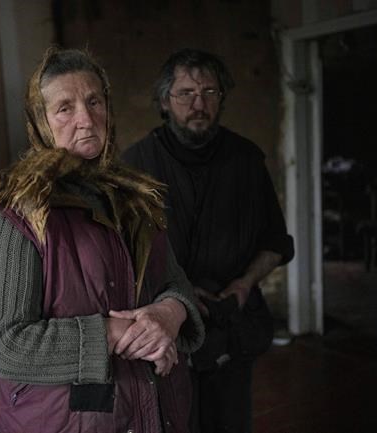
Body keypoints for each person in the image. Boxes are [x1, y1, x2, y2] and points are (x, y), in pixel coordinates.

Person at [0, 47, 204, 433]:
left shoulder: (135, 197)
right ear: (41, 121)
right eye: (65, 108)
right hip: (71, 420)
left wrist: (169, 315)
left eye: (94, 101)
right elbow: (6, 344)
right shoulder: (19, 211)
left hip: (153, 408)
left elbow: (175, 282)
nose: (86, 119)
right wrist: (113, 332)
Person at [122, 49, 294, 433]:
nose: (198, 104)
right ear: (165, 102)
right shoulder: (136, 166)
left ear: (221, 98)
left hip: (234, 321)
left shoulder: (246, 159)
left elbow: (277, 241)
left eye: (209, 92)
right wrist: (177, 295)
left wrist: (244, 284)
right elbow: (122, 257)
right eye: (186, 93)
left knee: (231, 422)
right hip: (170, 330)